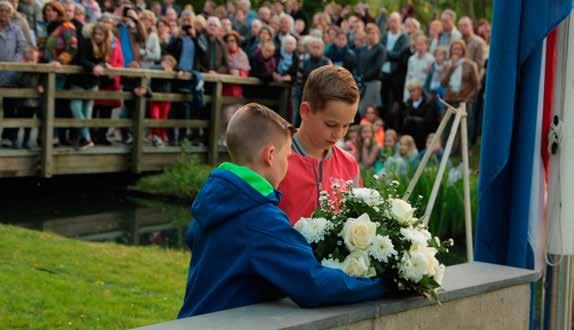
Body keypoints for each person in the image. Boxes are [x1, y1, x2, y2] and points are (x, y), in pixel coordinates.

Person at [177, 102, 393, 318]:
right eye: (288, 156)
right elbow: (313, 284)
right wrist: (384, 284)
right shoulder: (259, 218)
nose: (288, 164)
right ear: (270, 155)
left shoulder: (218, 197)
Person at [278, 65, 362, 225]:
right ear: (305, 111)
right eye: (331, 124)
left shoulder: (349, 165)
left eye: (346, 125)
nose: (339, 134)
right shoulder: (275, 160)